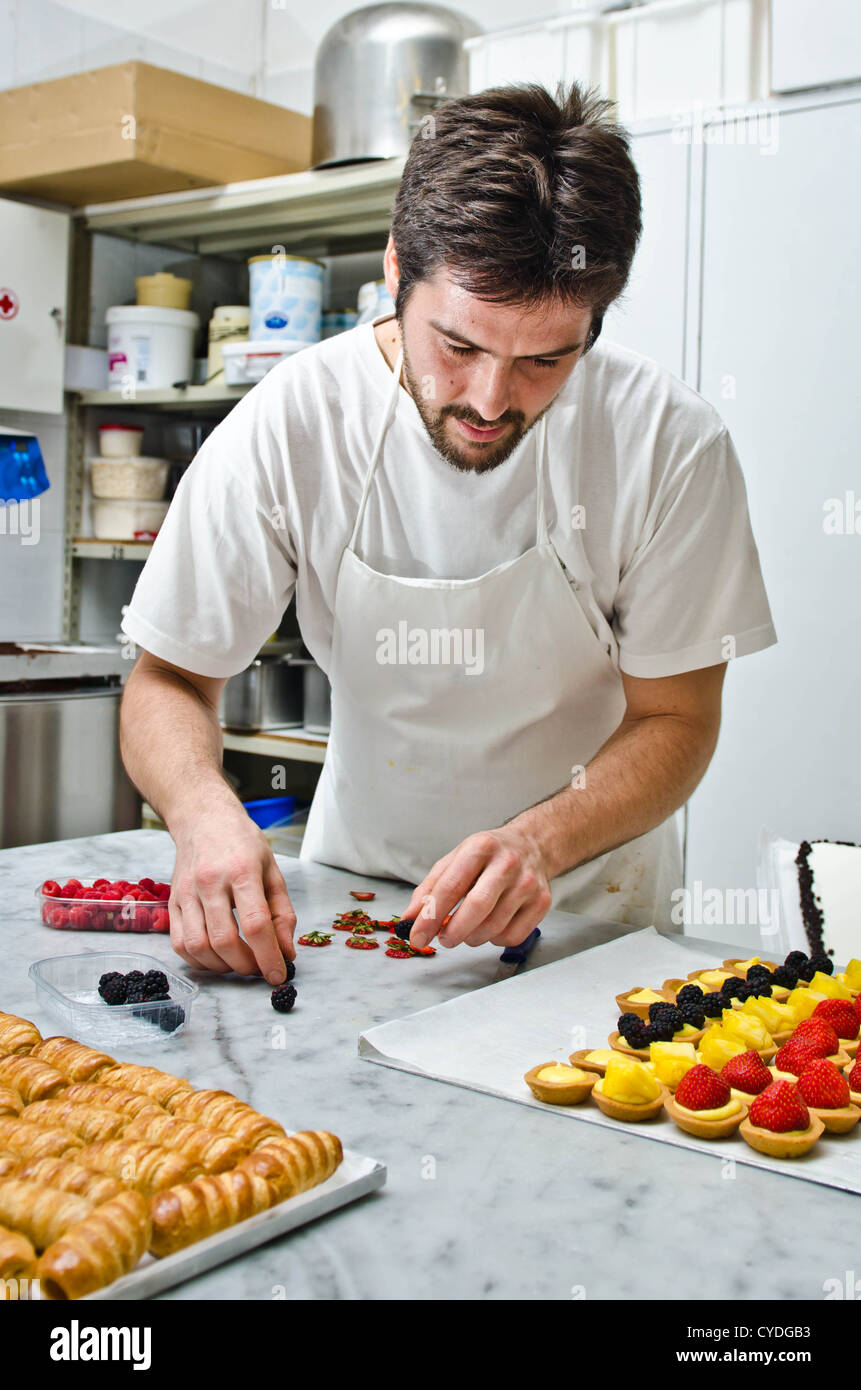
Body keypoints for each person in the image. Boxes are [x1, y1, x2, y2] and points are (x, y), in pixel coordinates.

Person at [119, 83, 776, 984]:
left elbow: (678, 718)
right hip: (355, 908)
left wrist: (536, 843)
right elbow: (169, 677)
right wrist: (203, 815)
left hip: (590, 913)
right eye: (458, 346)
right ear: (395, 270)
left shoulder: (666, 440)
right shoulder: (294, 421)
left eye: (546, 359)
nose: (489, 400)